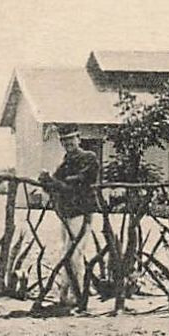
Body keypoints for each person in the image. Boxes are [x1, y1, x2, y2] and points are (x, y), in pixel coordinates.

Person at [38, 124, 100, 314]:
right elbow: (56, 184)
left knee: (75, 253)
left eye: (71, 139)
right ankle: (67, 294)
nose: (68, 144)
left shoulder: (88, 158)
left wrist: (53, 182)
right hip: (67, 213)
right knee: (66, 251)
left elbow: (77, 184)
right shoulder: (66, 161)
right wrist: (46, 181)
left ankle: (76, 294)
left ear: (79, 139)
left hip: (81, 212)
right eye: (64, 141)